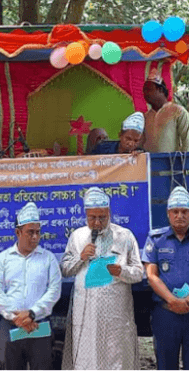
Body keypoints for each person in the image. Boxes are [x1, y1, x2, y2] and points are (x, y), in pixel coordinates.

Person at [60, 187, 143, 370]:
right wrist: (81, 257)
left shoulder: (125, 236)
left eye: (102, 217)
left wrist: (121, 271)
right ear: (86, 215)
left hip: (115, 317)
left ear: (109, 213)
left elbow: (139, 272)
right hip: (86, 316)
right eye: (92, 218)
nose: (97, 222)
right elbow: (65, 270)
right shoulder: (77, 236)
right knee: (86, 360)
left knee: (117, 358)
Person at [0, 202, 62, 370]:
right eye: (30, 232)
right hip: (10, 325)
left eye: (38, 232)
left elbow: (54, 291)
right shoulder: (3, 259)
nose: (35, 237)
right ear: (18, 232)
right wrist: (18, 318)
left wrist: (32, 313)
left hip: (39, 325)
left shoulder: (48, 258)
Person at [142, 186, 189, 370]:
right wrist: (173, 301)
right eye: (175, 211)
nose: (180, 215)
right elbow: (151, 276)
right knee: (166, 366)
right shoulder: (156, 239)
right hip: (166, 314)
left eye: (185, 211)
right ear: (168, 214)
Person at [143, 68, 189, 152]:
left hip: (172, 164)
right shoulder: (146, 116)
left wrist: (184, 163)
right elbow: (142, 143)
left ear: (160, 90)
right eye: (144, 90)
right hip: (150, 163)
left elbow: (187, 142)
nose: (145, 93)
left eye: (148, 89)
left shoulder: (178, 111)